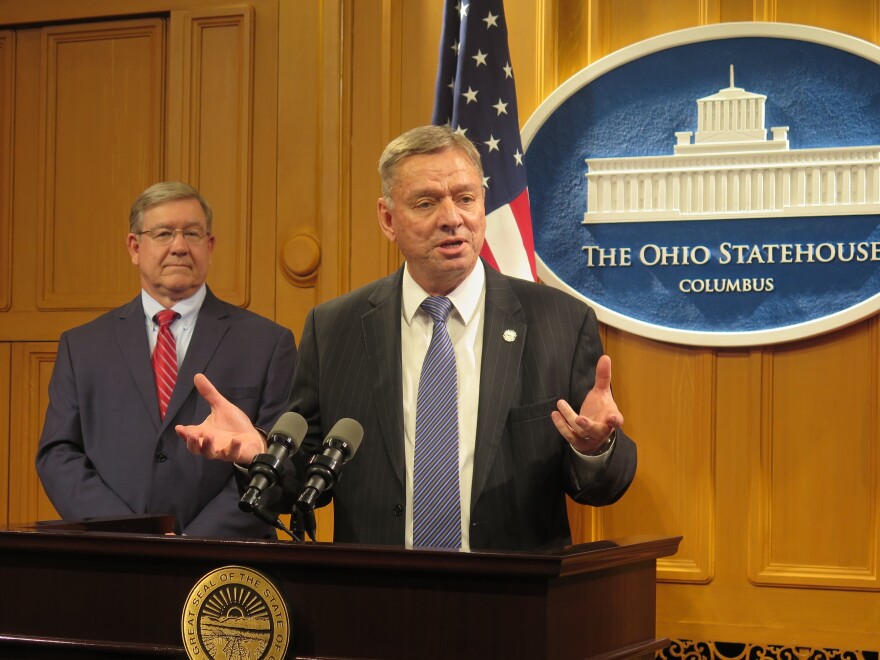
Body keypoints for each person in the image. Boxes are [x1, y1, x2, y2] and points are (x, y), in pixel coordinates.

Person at [178, 126, 636, 551]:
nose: (452, 219)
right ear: (387, 218)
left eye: (466, 198)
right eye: (426, 203)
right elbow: (302, 481)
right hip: (381, 600)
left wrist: (594, 448)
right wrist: (261, 452)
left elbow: (601, 487)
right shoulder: (335, 328)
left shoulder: (559, 322)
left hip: (517, 600)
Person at [36, 182, 297, 538]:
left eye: (191, 233)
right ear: (134, 247)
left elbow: (278, 460)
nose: (178, 247)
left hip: (226, 563)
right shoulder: (81, 347)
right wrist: (128, 534)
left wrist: (193, 543)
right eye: (163, 233)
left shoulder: (268, 343)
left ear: (210, 245)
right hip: (110, 557)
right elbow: (58, 455)